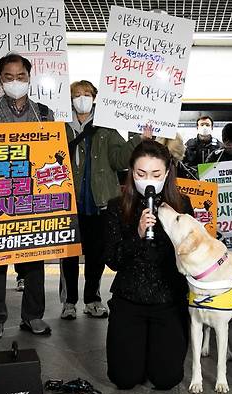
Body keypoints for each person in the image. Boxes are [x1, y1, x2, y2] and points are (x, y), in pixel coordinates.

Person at [0, 53, 54, 340]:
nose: (15, 82)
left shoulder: (44, 114)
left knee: (35, 257)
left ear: (29, 79)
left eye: (21, 77)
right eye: (9, 77)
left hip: (33, 197)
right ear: (0, 80)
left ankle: (33, 316)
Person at [59, 80, 151, 320]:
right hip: (67, 202)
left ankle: (92, 298)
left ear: (95, 97)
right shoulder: (59, 127)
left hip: (99, 202)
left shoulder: (105, 127)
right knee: (68, 253)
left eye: (87, 94)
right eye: (77, 94)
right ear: (69, 99)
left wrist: (137, 139)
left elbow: (120, 160)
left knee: (97, 253)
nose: (82, 98)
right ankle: (69, 301)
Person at [105, 140, 193, 390]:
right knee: (124, 379)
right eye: (141, 173)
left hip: (168, 301)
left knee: (167, 379)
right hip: (129, 300)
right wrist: (138, 235)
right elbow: (113, 260)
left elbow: (189, 252)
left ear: (167, 173)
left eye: (156, 174)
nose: (149, 179)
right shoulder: (116, 207)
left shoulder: (182, 206)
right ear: (132, 173)